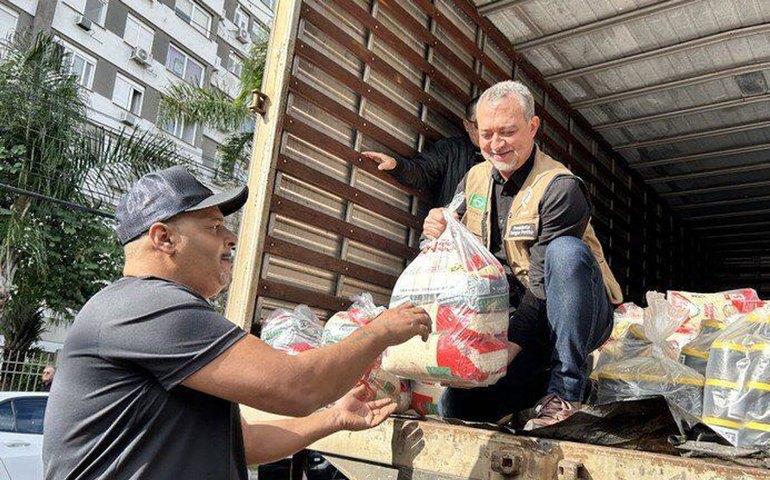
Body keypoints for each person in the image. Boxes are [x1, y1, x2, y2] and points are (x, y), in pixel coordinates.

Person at [43, 166, 432, 479]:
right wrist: (382, 330)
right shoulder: (146, 305)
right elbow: (296, 387)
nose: (230, 237)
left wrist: (333, 418)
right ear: (163, 238)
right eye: (213, 227)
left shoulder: (153, 310)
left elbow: (242, 444)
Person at [423, 81, 623, 429]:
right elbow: (450, 247)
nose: (496, 145)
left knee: (565, 252)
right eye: (487, 134)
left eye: (507, 132)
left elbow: (544, 284)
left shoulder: (560, 186)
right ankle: (530, 395)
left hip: (571, 312)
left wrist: (505, 351)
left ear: (532, 127)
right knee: (461, 406)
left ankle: (568, 391)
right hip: (512, 319)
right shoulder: (473, 179)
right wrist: (438, 229)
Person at [362, 96, 483, 207]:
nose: (486, 129)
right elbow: (422, 172)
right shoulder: (450, 149)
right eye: (479, 123)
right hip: (454, 227)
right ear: (466, 125)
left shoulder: (501, 157)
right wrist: (396, 165)